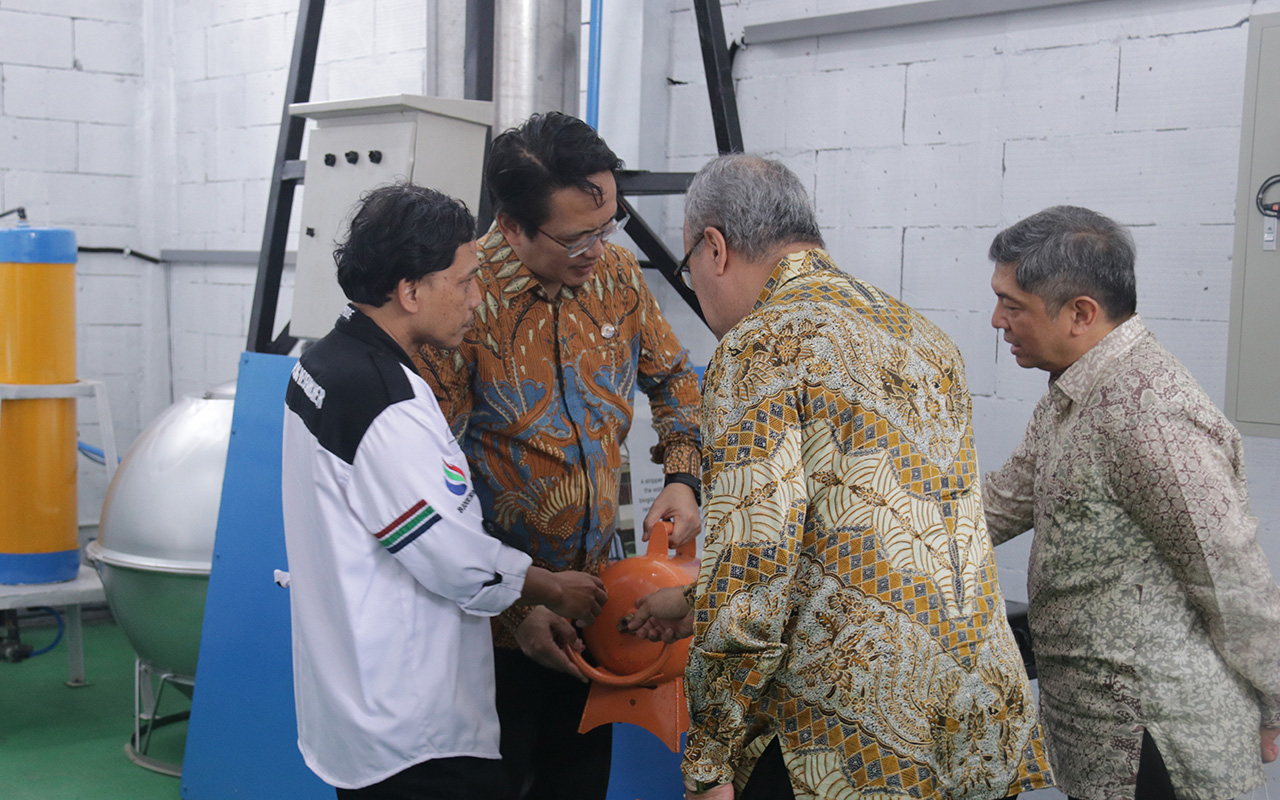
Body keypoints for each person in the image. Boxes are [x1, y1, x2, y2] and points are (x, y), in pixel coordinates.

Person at [627, 154, 1054, 799]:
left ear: (715, 248)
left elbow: (752, 574)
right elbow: (856, 543)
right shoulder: (923, 337)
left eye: (689, 266)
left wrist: (710, 759)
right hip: (970, 722)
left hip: (850, 737)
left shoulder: (759, 348)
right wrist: (691, 604)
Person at [281, 182, 608, 800]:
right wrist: (549, 587)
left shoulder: (321, 364)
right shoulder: (388, 403)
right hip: (414, 733)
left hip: (354, 698)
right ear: (410, 292)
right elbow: (454, 560)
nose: (477, 298)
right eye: (464, 282)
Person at [414, 112, 703, 800]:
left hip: (598, 609)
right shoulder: (461, 304)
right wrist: (516, 608)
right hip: (491, 630)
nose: (597, 249)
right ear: (512, 226)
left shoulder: (617, 278)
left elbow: (673, 379)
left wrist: (683, 476)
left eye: (608, 226)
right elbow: (427, 488)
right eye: (576, 237)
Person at [981, 205, 1280, 800]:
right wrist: (874, 524)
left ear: (1080, 313)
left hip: (1157, 733)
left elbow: (1230, 575)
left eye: (1012, 305)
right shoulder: (1075, 391)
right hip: (1098, 724)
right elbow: (1001, 502)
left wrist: (1274, 696)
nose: (997, 321)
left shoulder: (1149, 413)